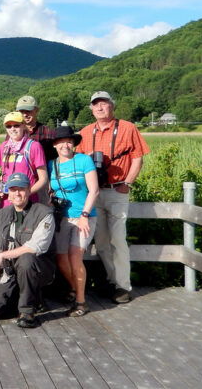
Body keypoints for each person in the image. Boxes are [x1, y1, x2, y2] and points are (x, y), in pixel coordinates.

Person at [77, 91, 150, 304]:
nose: (99, 108)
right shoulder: (85, 132)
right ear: (91, 109)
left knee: (118, 239)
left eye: (104, 104)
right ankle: (111, 281)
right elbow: (79, 162)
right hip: (94, 193)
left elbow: (137, 158)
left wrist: (127, 183)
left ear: (112, 106)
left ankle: (123, 286)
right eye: (95, 105)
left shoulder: (128, 128)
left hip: (117, 190)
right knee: (100, 242)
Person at [0, 173, 55, 328]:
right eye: (13, 190)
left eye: (22, 189)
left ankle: (27, 311)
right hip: (10, 271)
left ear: (29, 191)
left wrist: (3, 255)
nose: (17, 193)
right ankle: (27, 300)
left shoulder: (44, 213)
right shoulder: (1, 215)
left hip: (39, 269)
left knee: (26, 259)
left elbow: (36, 247)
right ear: (8, 193)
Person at [47, 126, 99, 316]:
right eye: (61, 142)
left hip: (83, 217)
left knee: (75, 257)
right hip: (61, 217)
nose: (65, 145)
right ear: (55, 145)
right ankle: (76, 288)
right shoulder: (51, 165)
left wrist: (85, 215)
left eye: (69, 141)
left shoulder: (84, 160)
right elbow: (49, 189)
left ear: (74, 143)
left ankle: (80, 302)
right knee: (61, 259)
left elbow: (94, 190)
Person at [0, 112, 48, 208]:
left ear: (23, 125)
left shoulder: (34, 146)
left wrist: (26, 193)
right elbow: (3, 173)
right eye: (8, 126)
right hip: (7, 202)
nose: (12, 129)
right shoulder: (3, 147)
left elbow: (43, 179)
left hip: (28, 202)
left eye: (16, 125)